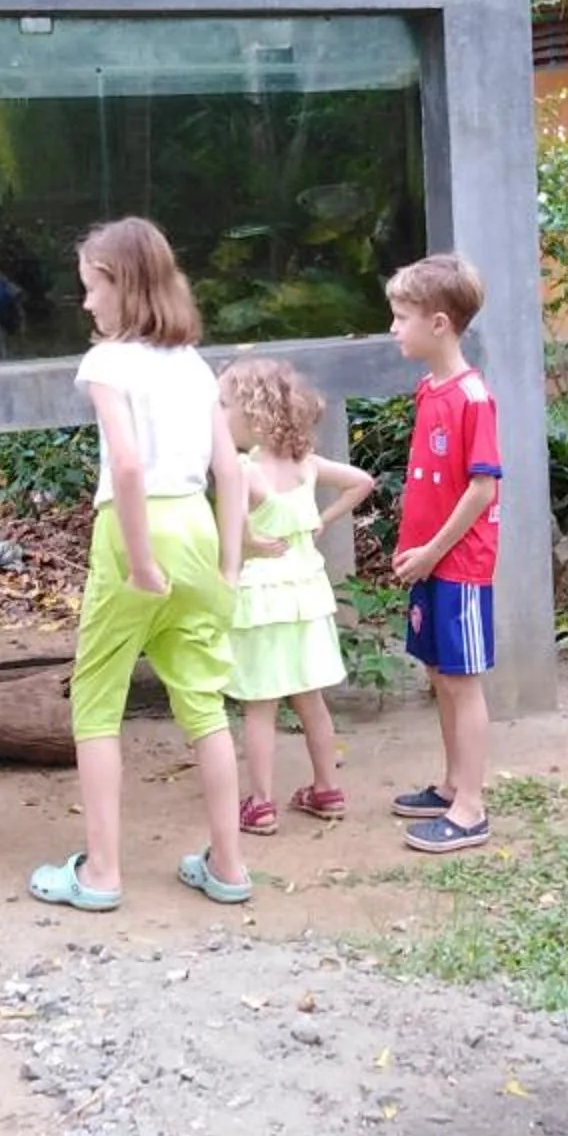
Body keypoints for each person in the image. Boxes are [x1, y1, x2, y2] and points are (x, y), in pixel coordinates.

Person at [29, 217, 250, 912]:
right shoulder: (194, 365)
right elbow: (231, 473)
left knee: (96, 706)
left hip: (134, 531)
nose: (87, 304)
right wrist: (231, 565)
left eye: (91, 288)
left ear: (121, 285)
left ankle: (101, 873)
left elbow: (125, 463)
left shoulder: (106, 363)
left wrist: (142, 560)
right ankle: (231, 865)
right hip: (197, 526)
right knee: (204, 703)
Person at [214, 357, 376, 835]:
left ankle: (260, 803)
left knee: (260, 705)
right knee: (312, 702)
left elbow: (232, 537)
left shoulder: (245, 473)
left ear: (252, 413)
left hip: (262, 601)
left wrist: (249, 546)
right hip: (308, 596)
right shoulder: (306, 466)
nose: (218, 416)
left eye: (224, 405)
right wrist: (322, 521)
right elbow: (362, 481)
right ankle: (327, 788)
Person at [384, 252, 502, 855]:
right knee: (438, 673)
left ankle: (471, 807)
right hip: (428, 561)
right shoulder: (430, 389)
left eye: (401, 317)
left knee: (462, 681)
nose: (393, 328)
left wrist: (432, 550)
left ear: (438, 323)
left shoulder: (472, 397)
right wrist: (415, 550)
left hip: (459, 566)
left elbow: (482, 488)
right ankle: (452, 783)